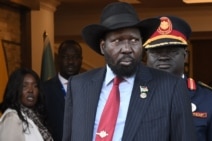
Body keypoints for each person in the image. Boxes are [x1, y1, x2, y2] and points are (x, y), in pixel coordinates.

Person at [62, 2, 197, 141]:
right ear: (103, 47)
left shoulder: (170, 87)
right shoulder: (79, 85)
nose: (127, 48)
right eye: (117, 41)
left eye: (134, 40)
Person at [144, 15, 212, 141]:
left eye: (172, 50)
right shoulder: (130, 96)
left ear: (185, 55)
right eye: (155, 51)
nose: (163, 57)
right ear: (146, 56)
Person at [43, 40, 82, 141]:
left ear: (81, 60)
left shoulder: (90, 89)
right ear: (58, 59)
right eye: (66, 57)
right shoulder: (44, 89)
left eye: (75, 57)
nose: (70, 62)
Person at [0, 67, 53, 141]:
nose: (31, 90)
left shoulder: (36, 117)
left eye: (35, 86)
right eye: (24, 86)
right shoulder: (12, 118)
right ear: (15, 89)